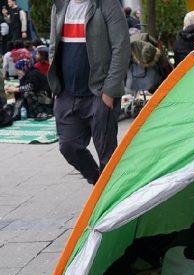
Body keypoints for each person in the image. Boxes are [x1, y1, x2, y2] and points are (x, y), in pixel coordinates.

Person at [49, 0, 131, 185]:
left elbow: (121, 47)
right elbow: (54, 47)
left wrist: (109, 91)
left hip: (99, 93)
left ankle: (109, 199)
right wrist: (56, 86)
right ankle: (98, 184)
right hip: (66, 93)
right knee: (68, 147)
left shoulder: (107, 5)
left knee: (106, 155)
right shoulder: (59, 5)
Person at [5, 51, 52, 119]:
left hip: (44, 98)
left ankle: (38, 113)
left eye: (18, 69)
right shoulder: (27, 75)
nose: (17, 72)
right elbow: (23, 86)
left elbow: (30, 87)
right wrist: (12, 89)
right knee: (11, 92)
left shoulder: (34, 74)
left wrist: (16, 89)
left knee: (27, 93)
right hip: (37, 96)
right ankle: (10, 112)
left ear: (24, 68)